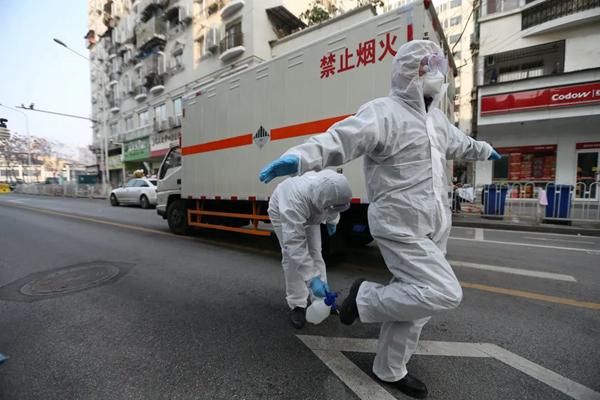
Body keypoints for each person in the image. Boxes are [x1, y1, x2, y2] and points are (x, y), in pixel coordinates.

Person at [260, 40, 501, 399]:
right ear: (407, 72)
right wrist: (299, 157)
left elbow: (460, 143)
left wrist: (486, 150)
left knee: (417, 300)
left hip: (435, 223)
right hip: (399, 224)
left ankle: (389, 368)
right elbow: (340, 139)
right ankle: (362, 299)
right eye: (426, 65)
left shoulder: (437, 120)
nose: (434, 73)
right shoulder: (383, 113)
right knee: (442, 291)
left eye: (437, 65)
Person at [268, 170, 352, 329]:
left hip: (313, 210)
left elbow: (334, 206)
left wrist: (332, 220)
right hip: (282, 211)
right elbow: (294, 244)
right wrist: (312, 278)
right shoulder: (293, 200)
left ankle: (322, 300)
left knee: (315, 252)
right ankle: (297, 304)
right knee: (291, 257)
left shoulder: (330, 186)